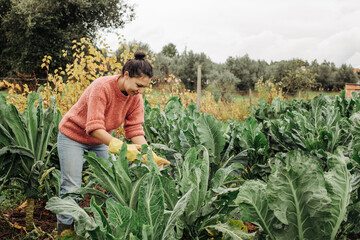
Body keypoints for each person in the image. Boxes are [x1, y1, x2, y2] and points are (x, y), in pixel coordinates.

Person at [56, 50, 170, 234]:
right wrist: (120, 147)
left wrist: (149, 155)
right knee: (72, 186)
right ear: (126, 75)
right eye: (138, 85)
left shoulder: (135, 98)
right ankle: (65, 231)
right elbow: (93, 126)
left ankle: (117, 229)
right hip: (73, 136)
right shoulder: (102, 87)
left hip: (100, 141)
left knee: (116, 183)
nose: (140, 91)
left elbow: (135, 130)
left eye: (144, 87)